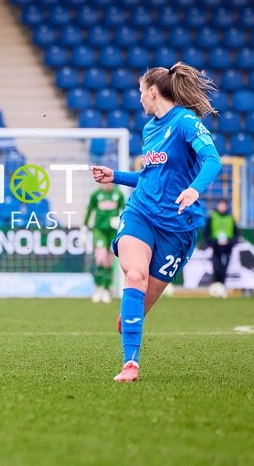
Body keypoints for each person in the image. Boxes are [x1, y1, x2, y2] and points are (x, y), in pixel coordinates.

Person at [90, 62, 221, 382]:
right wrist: (116, 176)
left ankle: (130, 319)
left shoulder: (186, 122)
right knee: (134, 275)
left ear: (152, 92)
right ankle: (130, 364)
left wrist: (193, 189)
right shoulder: (150, 129)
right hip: (141, 214)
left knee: (134, 312)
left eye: (140, 93)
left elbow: (212, 160)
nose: (139, 100)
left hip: (177, 228)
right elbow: (150, 178)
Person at [83, 183, 126, 303]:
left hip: (113, 231)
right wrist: (84, 229)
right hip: (99, 230)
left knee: (109, 262)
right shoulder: (96, 195)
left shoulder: (118, 194)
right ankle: (98, 288)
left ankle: (107, 289)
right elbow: (89, 211)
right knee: (100, 258)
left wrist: (120, 219)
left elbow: (126, 210)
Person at [203, 199, 239, 290]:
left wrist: (230, 242)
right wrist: (213, 242)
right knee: (216, 267)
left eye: (224, 205)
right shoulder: (212, 217)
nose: (222, 207)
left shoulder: (230, 218)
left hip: (227, 247)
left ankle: (222, 286)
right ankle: (216, 285)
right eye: (220, 205)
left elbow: (236, 233)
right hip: (216, 247)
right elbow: (207, 233)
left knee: (225, 267)